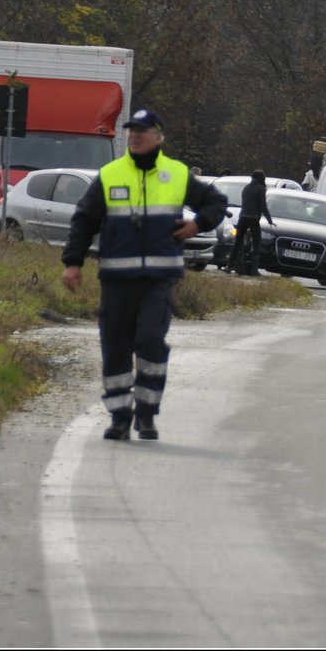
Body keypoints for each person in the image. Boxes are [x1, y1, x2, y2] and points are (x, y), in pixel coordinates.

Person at [61, 109, 227, 442]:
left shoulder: (176, 174)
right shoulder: (109, 175)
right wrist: (73, 262)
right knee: (116, 346)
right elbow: (84, 220)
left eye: (143, 130)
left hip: (158, 278)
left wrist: (198, 223)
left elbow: (216, 201)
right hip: (116, 280)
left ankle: (147, 413)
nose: (135, 135)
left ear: (158, 137)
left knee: (151, 340)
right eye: (131, 130)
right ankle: (120, 417)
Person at [232, 171, 275, 277]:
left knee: (237, 243)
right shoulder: (261, 189)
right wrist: (270, 220)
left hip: (242, 218)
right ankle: (253, 270)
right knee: (256, 243)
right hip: (254, 219)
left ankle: (229, 266)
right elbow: (263, 206)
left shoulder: (246, 188)